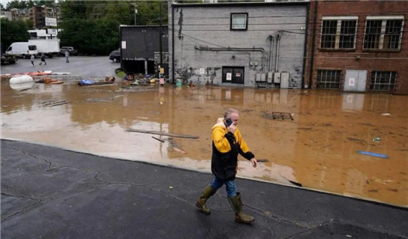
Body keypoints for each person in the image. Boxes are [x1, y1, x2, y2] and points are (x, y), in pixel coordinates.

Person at [196, 108, 258, 224]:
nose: (236, 123)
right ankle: (239, 214)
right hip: (222, 166)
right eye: (234, 120)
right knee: (231, 187)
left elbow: (240, 144)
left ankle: (201, 201)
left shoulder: (235, 129)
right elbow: (222, 147)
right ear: (227, 119)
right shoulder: (218, 130)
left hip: (230, 165)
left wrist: (250, 156)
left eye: (237, 120)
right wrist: (229, 133)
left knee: (216, 183)